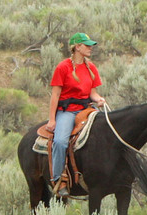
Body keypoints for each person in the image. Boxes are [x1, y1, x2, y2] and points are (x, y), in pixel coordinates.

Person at [46, 32, 107, 196]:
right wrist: (52, 119)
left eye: (90, 45)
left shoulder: (91, 67)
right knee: (60, 142)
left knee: (105, 134)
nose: (90, 48)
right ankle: (59, 181)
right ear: (77, 47)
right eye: (87, 45)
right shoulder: (62, 67)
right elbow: (55, 95)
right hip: (67, 111)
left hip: (87, 110)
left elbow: (92, 93)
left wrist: (99, 99)